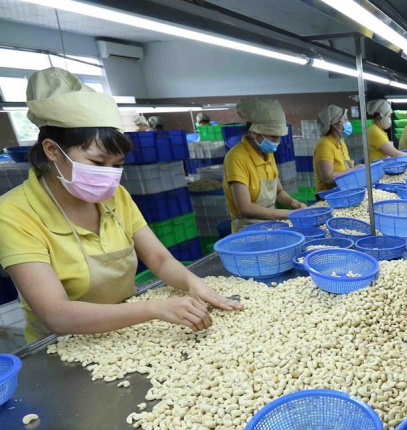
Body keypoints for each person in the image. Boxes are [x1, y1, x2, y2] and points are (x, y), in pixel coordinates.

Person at [0, 68, 242, 343]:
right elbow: (56, 314)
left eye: (117, 165)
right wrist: (153, 308)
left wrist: (193, 283)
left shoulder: (116, 197)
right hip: (62, 344)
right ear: (52, 150)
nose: (109, 175)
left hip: (127, 329)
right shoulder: (14, 213)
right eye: (97, 163)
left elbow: (159, 259)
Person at [224, 98, 306, 233]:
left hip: (272, 227)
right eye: (273, 136)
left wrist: (293, 203)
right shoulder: (236, 158)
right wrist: (288, 214)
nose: (277, 141)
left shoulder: (267, 153)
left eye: (279, 136)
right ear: (254, 132)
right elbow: (245, 208)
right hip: (248, 232)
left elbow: (279, 192)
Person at [313, 105, 357, 194]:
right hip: (327, 196)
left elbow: (344, 170)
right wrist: (355, 170)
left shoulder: (341, 143)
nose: (348, 123)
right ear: (334, 124)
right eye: (345, 120)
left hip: (341, 191)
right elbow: (328, 179)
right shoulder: (324, 145)